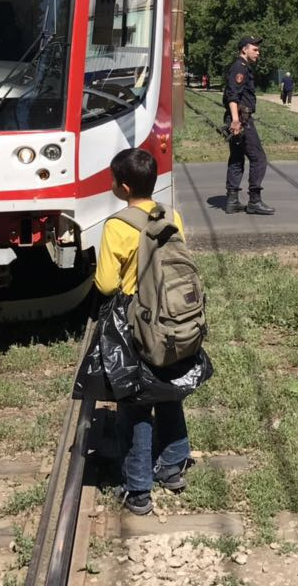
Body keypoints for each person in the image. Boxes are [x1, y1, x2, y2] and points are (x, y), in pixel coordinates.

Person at [94, 148, 194, 516]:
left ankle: (138, 490)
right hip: (172, 316)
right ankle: (173, 466)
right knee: (170, 388)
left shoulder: (117, 226)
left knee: (135, 401)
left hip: (136, 320)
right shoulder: (173, 216)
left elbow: (106, 285)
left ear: (122, 187)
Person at [222, 36, 273, 215]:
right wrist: (236, 121)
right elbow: (232, 95)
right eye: (255, 49)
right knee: (259, 158)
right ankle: (254, 200)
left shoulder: (241, 66)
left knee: (236, 158)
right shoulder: (240, 67)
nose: (258, 53)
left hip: (237, 118)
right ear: (244, 49)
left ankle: (232, 200)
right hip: (241, 120)